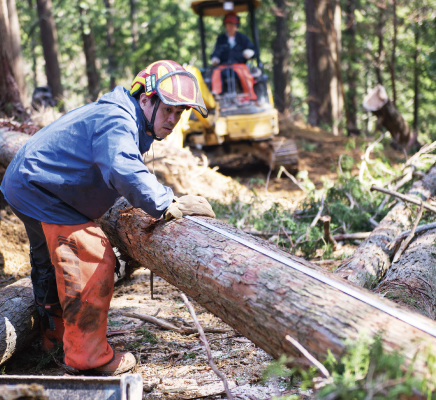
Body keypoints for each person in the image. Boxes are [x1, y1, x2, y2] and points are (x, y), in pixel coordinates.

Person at [0, 60, 215, 376]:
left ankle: (54, 339)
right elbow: (121, 167)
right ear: (145, 98)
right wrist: (166, 203)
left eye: (179, 112)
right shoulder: (117, 119)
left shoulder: (124, 115)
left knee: (49, 262)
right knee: (93, 258)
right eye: (168, 109)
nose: (173, 119)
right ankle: (87, 357)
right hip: (41, 190)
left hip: (30, 184)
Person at [210, 12, 257, 100]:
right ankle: (216, 95)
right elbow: (216, 52)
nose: (230, 27)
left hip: (239, 65)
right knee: (216, 72)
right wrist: (215, 58)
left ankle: (249, 96)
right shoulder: (221, 39)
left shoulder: (243, 38)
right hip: (223, 66)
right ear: (225, 25)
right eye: (228, 24)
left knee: (245, 74)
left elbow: (253, 51)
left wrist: (250, 53)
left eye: (233, 25)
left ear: (236, 26)